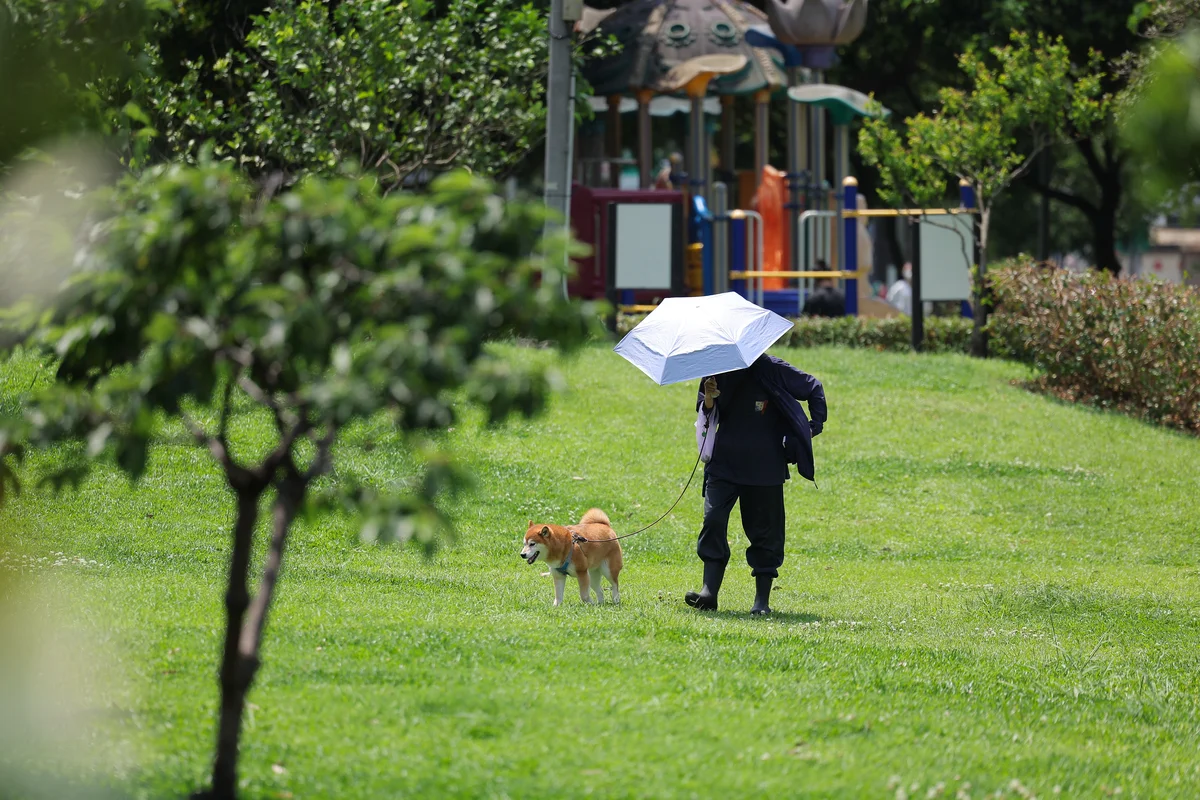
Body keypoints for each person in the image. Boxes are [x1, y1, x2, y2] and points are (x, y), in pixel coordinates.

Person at [685, 355, 827, 615]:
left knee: (765, 533)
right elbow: (706, 414)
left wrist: (811, 427)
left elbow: (813, 388)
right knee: (713, 519)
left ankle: (762, 601)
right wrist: (708, 397)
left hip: (765, 467)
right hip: (723, 465)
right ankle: (709, 592)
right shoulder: (716, 369)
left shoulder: (771, 368)